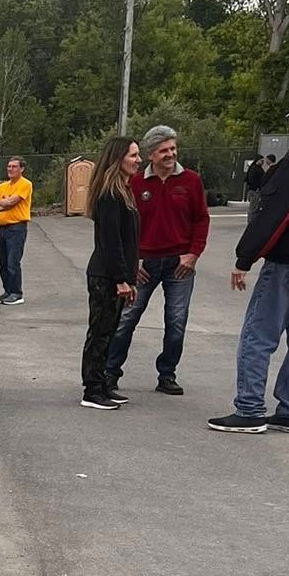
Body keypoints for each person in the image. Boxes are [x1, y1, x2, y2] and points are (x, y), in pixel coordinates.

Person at [208, 104, 289, 433]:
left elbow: (276, 215)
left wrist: (244, 258)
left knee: (258, 337)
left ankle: (249, 408)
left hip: (288, 266)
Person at [102, 124, 209, 398]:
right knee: (127, 319)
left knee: (176, 321)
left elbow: (201, 219)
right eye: (164, 150)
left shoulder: (191, 181)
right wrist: (132, 260)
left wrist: (193, 254)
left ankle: (167, 374)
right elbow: (124, 227)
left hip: (179, 264)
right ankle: (110, 373)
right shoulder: (135, 183)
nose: (170, 154)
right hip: (143, 264)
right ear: (151, 154)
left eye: (173, 148)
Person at [81, 137, 142, 409]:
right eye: (133, 155)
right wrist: (120, 279)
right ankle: (92, 390)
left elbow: (128, 240)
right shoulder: (110, 194)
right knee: (100, 332)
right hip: (104, 276)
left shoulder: (125, 191)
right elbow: (111, 241)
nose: (138, 160)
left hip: (117, 276)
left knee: (110, 331)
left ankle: (103, 383)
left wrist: (130, 276)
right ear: (118, 158)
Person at [0, 155, 33, 304]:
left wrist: (3, 203)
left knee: (12, 262)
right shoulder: (2, 186)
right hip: (2, 228)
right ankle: (7, 290)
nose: (10, 169)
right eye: (9, 166)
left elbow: (13, 201)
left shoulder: (25, 184)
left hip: (16, 228)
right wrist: (4, 203)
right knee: (3, 263)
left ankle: (16, 293)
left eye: (14, 166)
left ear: (21, 169)